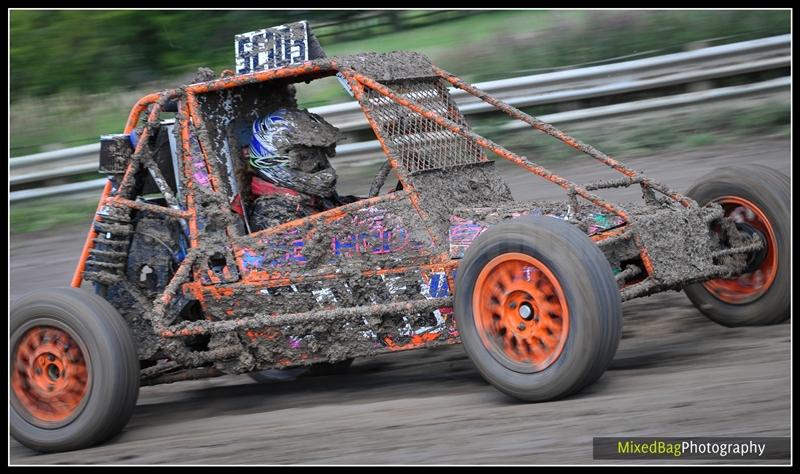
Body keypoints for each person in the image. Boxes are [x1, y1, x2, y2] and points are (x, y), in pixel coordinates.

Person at [243, 107, 359, 231]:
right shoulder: (272, 212)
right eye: (305, 157)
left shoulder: (313, 198)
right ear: (273, 161)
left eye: (319, 153)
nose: (317, 163)